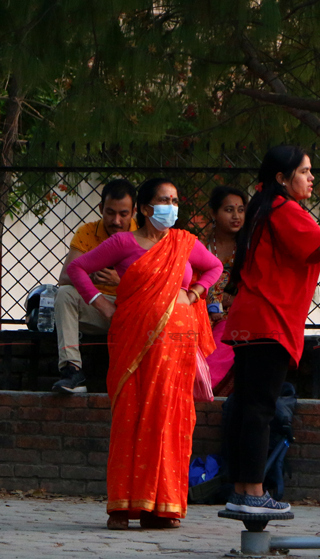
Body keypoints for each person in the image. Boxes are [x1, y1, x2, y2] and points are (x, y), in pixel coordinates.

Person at [221, 146, 320, 515]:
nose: (311, 177)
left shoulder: (263, 210)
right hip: (269, 320)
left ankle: (245, 489)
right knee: (260, 409)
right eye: (305, 171)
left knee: (247, 407)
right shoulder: (283, 210)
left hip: (251, 319)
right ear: (282, 178)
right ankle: (254, 492)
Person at [66, 178, 223, 530]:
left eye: (175, 199)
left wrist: (195, 293)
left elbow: (214, 267)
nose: (171, 206)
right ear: (146, 208)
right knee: (132, 417)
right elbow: (76, 269)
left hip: (177, 349)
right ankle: (121, 507)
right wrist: (102, 304)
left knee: (169, 421)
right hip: (133, 341)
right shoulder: (123, 242)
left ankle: (161, 508)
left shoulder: (184, 243)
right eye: (164, 200)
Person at [52, 179, 138, 394]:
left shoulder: (145, 235)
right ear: (100, 208)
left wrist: (121, 281)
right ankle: (72, 371)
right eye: (110, 212)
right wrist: (90, 275)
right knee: (65, 294)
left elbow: (159, 285)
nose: (116, 220)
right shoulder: (87, 232)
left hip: (134, 313)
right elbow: (65, 277)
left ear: (134, 212)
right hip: (98, 309)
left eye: (123, 214)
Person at [202, 186, 247, 396]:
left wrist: (229, 300)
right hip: (200, 310)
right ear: (213, 213)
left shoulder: (249, 248)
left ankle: (206, 386)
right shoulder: (199, 245)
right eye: (229, 210)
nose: (236, 216)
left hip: (235, 314)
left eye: (240, 210)